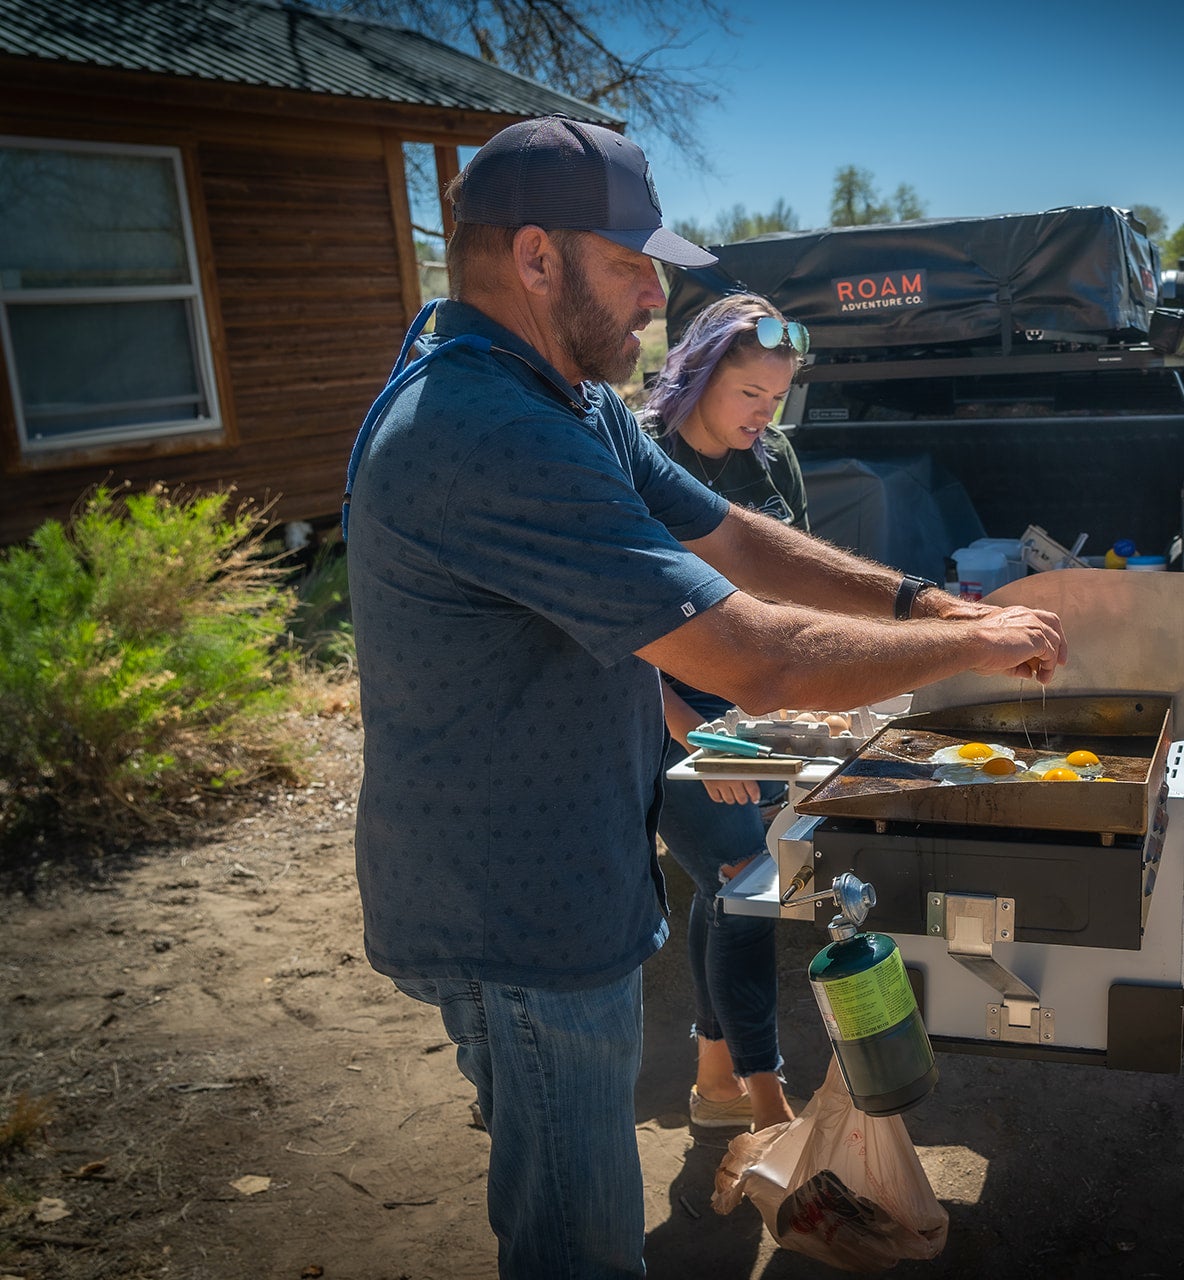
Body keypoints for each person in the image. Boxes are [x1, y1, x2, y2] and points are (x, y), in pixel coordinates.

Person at [343, 114, 1065, 1280]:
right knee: (579, 1251)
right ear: (535, 257)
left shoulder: (555, 394)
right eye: (632, 267)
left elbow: (730, 534)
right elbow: (757, 657)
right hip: (516, 920)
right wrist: (969, 649)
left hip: (561, 880)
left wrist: (930, 607)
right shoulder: (481, 429)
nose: (650, 299)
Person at [639, 293, 810, 1134]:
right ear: (700, 377)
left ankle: (713, 1080)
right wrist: (696, 735)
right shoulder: (639, 458)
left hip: (753, 709)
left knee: (724, 887)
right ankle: (770, 1107)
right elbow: (615, 623)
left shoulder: (774, 461)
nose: (762, 415)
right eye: (749, 395)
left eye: (775, 400)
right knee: (747, 881)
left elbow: (798, 589)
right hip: (663, 713)